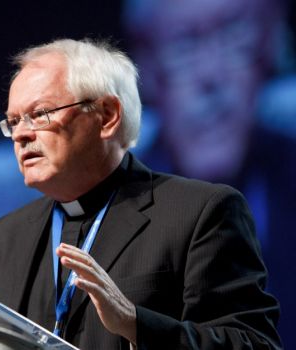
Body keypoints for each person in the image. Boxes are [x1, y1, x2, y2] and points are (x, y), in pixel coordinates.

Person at [0, 38, 282, 349]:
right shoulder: (5, 237)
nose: (20, 134)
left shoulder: (200, 212)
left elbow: (253, 343)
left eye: (40, 113)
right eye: (13, 122)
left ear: (107, 115)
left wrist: (134, 323)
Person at [122, 0, 296, 346]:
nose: (211, 75)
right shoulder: (113, 210)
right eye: (184, 45)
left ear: (270, 44)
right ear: (147, 69)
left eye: (234, 34)